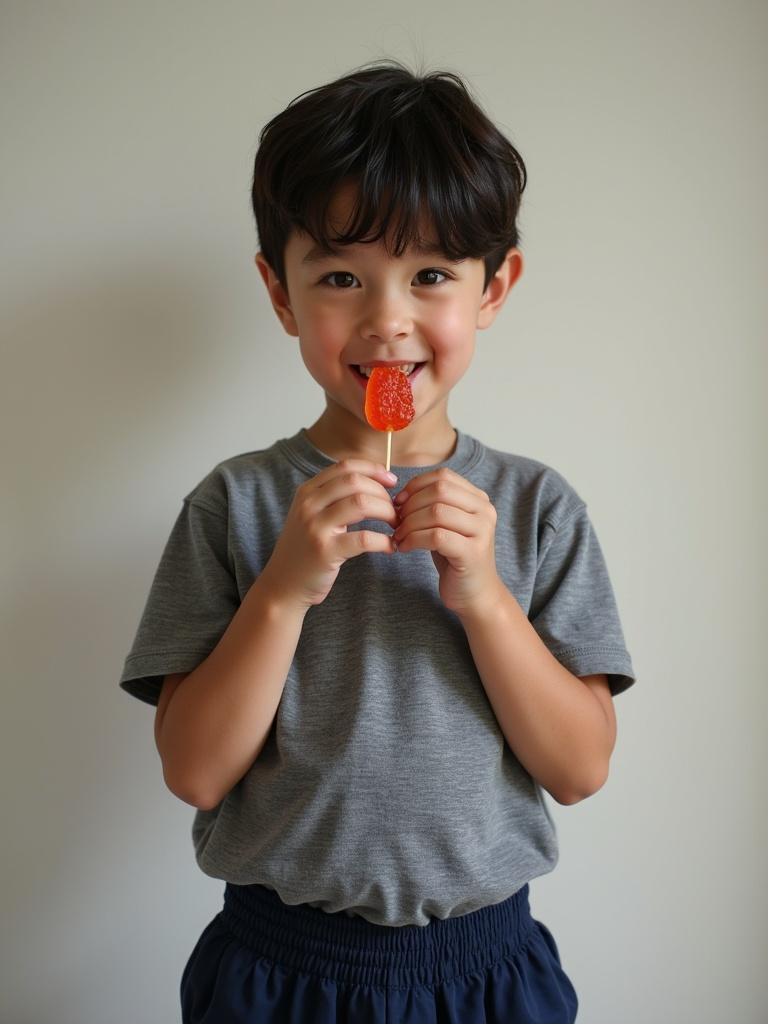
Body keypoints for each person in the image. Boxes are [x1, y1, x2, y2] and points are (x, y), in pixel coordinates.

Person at [119, 59, 636, 1024]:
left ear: (494, 288)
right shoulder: (232, 505)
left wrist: (483, 594)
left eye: (431, 275)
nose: (388, 320)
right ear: (280, 295)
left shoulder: (536, 509)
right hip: (277, 967)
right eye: (342, 277)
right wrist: (282, 588)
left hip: (487, 967)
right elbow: (193, 770)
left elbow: (580, 769)